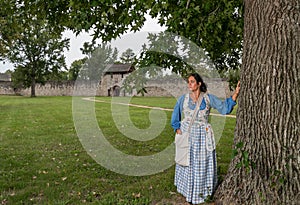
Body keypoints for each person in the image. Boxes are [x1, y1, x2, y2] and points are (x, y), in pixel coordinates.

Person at [171, 73, 240, 204]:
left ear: (199, 83)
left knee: (202, 163)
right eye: (188, 82)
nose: (189, 84)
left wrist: (235, 93)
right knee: (187, 161)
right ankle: (187, 190)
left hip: (202, 136)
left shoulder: (208, 98)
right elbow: (176, 114)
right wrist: (177, 128)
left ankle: (201, 192)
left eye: (192, 81)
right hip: (187, 134)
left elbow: (224, 108)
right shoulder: (183, 99)